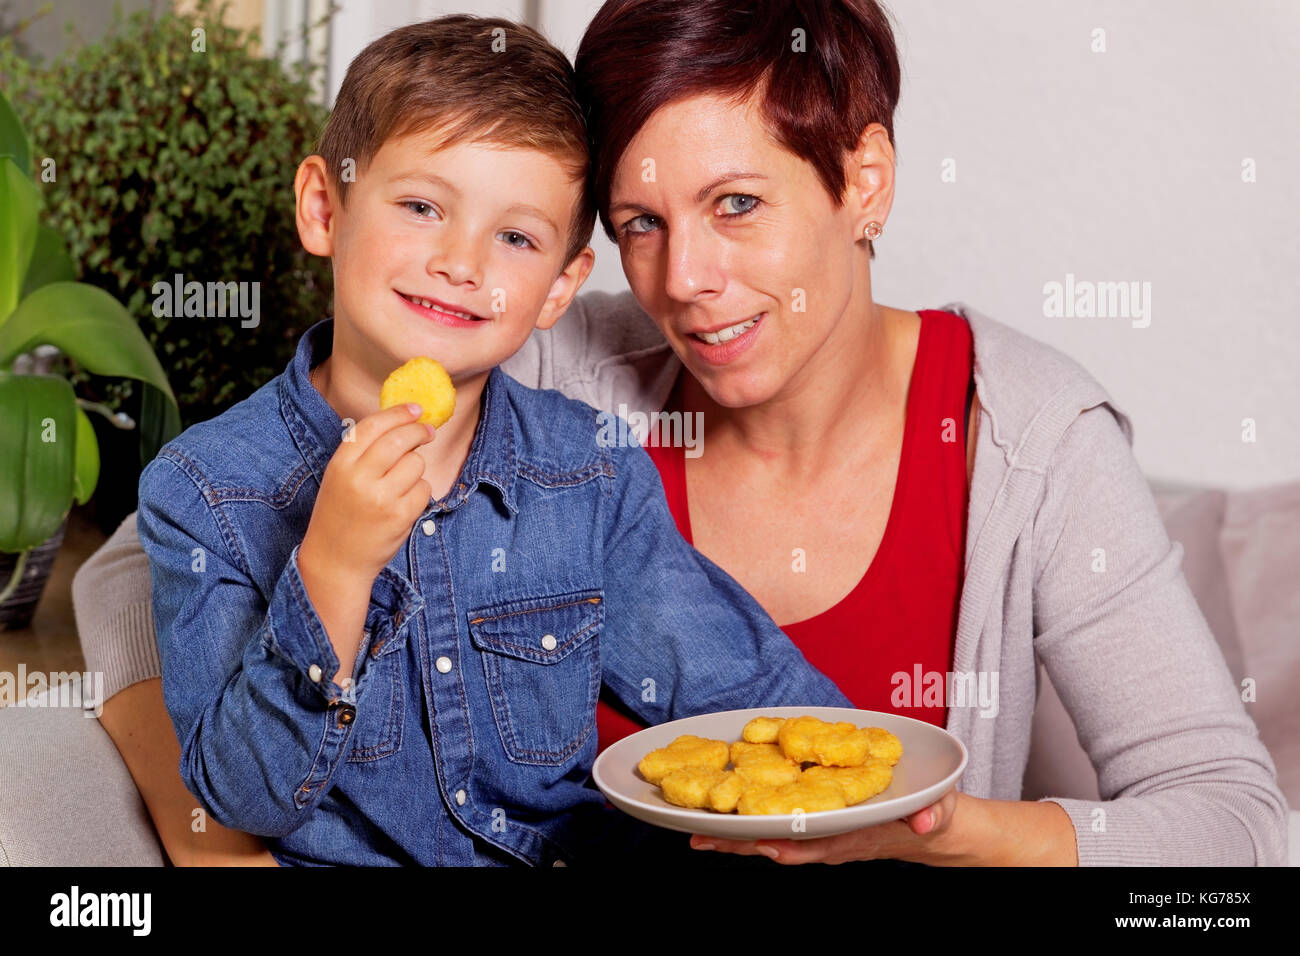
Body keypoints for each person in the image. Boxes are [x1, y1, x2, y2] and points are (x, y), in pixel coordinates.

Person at [74, 0, 1288, 867]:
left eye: (738, 203)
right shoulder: (534, 348)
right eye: (643, 218)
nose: (690, 279)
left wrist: (942, 828)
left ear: (865, 179)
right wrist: (219, 841)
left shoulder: (1032, 439)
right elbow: (157, 545)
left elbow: (1232, 820)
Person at [126, 14, 855, 868]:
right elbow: (240, 798)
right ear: (325, 208)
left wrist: (872, 797)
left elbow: (749, 697)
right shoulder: (205, 487)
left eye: (515, 238)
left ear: (558, 288)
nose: (462, 263)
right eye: (423, 206)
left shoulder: (589, 475)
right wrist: (333, 567)